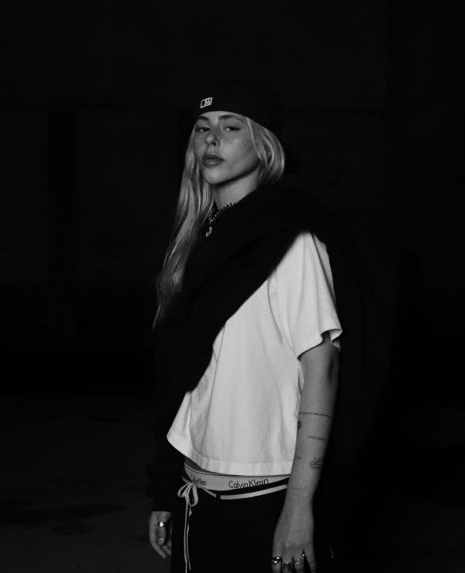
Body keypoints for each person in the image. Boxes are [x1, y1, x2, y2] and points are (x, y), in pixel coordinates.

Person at [145, 82, 387, 572]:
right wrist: (166, 488)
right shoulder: (198, 241)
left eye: (231, 127)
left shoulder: (291, 239)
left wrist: (298, 508)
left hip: (265, 500)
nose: (212, 139)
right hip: (194, 495)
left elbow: (323, 370)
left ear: (264, 146)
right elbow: (188, 380)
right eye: (202, 128)